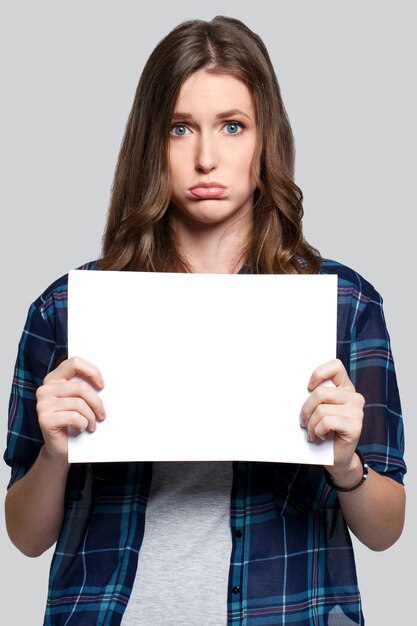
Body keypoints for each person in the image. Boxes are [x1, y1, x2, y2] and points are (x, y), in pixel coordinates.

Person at [4, 15, 406, 626]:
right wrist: (55, 454)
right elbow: (26, 536)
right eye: (180, 127)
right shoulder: (67, 309)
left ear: (263, 139)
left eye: (233, 126)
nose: (207, 157)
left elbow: (386, 529)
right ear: (151, 142)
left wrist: (347, 465)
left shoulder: (342, 305)